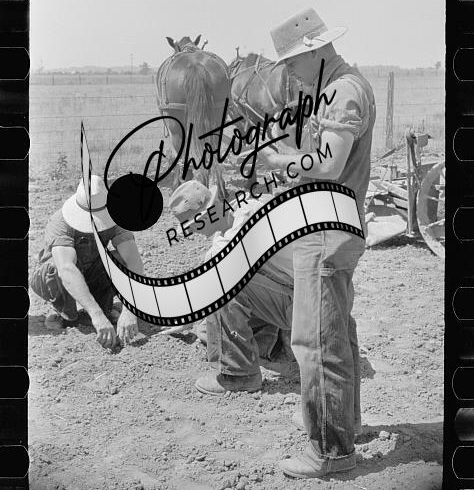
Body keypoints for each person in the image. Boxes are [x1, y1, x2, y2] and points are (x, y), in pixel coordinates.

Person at [255, 7, 376, 478]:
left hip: (327, 230)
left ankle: (330, 451)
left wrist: (278, 161)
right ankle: (347, 426)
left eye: (291, 62)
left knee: (315, 340)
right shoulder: (339, 86)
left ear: (314, 51)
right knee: (336, 329)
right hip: (332, 224)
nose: (288, 73)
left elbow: (327, 164)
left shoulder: (342, 91)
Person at [169, 178, 362, 440]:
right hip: (329, 293)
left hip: (308, 303)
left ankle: (239, 373)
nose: (193, 232)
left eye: (192, 225)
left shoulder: (233, 239)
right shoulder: (247, 209)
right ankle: (347, 418)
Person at [30, 175, 143, 349]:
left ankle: (103, 309)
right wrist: (97, 316)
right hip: (59, 277)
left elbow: (133, 261)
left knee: (120, 261)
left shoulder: (116, 218)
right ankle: (66, 315)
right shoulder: (61, 221)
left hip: (92, 271)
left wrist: (130, 309)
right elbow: (66, 269)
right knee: (54, 267)